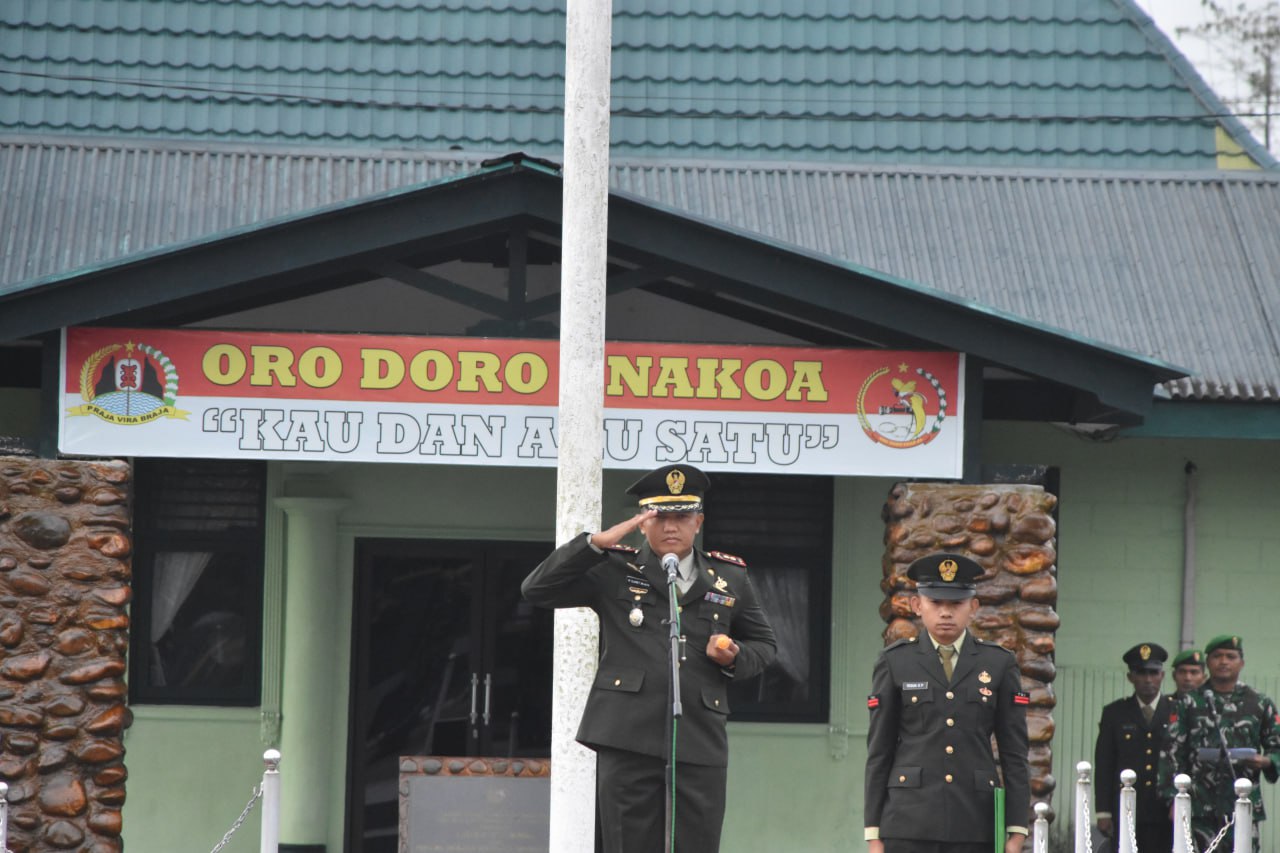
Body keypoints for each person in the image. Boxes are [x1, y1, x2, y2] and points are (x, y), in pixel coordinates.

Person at [521, 464, 777, 853]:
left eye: (682, 517)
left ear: (698, 522)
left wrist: (733, 656)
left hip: (698, 735)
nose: (671, 527)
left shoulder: (729, 577)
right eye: (659, 517)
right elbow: (537, 589)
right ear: (642, 523)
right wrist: (594, 544)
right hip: (627, 735)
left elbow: (765, 644)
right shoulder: (614, 568)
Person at [865, 553, 1030, 853]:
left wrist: (1016, 830)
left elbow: (1015, 753)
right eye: (935, 602)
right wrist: (873, 833)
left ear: (973, 607)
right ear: (917, 605)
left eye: (955, 604)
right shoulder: (895, 662)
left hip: (975, 822)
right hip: (908, 822)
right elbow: (879, 751)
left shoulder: (998, 663)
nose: (945, 612)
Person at [1159, 635, 1280, 852]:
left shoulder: (1259, 702)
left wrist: (1266, 761)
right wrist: (1173, 798)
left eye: (1230, 657)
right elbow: (1172, 752)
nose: (1223, 662)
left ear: (1241, 663)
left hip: (1243, 804)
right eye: (1217, 656)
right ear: (1208, 663)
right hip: (1199, 806)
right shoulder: (1189, 702)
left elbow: (1276, 746)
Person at [1093, 642, 1174, 853]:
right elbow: (1105, 763)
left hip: (1165, 810)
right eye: (1141, 673)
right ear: (1130, 677)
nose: (1148, 679)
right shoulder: (1115, 713)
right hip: (1126, 809)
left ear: (1162, 675)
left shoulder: (1176, 711)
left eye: (1153, 673)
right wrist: (1103, 812)